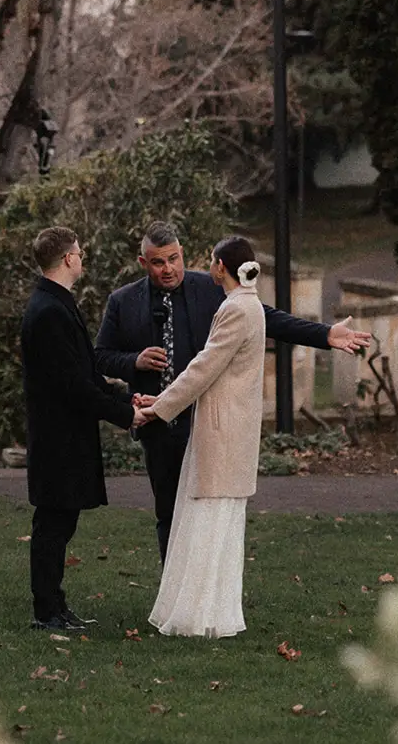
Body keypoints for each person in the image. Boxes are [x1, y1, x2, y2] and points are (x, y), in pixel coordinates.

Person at [94, 220, 371, 560]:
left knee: (205, 515)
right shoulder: (122, 302)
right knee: (168, 514)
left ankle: (205, 591)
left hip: (207, 424)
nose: (169, 269)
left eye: (174, 259)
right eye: (158, 262)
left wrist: (324, 335)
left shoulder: (210, 287)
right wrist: (133, 361)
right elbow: (101, 357)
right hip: (158, 426)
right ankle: (174, 597)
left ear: (181, 254)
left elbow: (263, 316)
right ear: (143, 263)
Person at [137, 235, 268, 638]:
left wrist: (158, 408)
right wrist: (162, 399)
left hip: (222, 430)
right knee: (218, 524)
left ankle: (199, 616)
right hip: (231, 429)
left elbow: (202, 368)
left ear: (220, 267)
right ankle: (212, 614)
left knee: (209, 521)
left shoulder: (235, 309)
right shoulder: (250, 305)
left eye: (212, 261)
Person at [20, 226, 149, 632]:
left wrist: (122, 397)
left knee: (61, 521)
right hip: (58, 437)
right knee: (53, 523)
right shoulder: (48, 311)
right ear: (68, 259)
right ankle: (47, 610)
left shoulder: (57, 304)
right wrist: (125, 416)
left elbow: (85, 370)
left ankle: (55, 605)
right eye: (79, 252)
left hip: (66, 434)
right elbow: (71, 385)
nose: (83, 257)